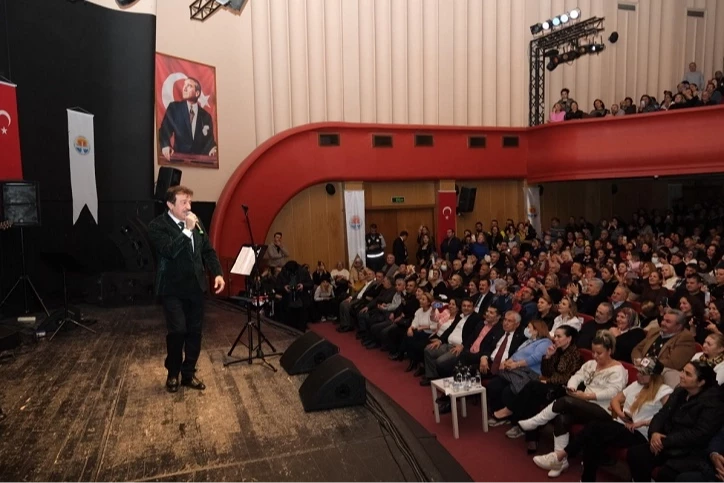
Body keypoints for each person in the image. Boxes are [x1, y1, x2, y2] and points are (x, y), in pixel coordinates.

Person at [531, 357, 673, 482]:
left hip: (640, 433)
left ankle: (560, 456)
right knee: (594, 438)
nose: (638, 375)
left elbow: (667, 417)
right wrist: (621, 414)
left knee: (594, 428)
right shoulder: (636, 385)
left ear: (653, 376)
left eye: (643, 373)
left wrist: (643, 422)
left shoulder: (664, 391)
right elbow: (615, 400)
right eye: (639, 371)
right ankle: (586, 478)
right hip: (622, 425)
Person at [518, 330, 628, 477]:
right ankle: (560, 462)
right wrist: (572, 387)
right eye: (593, 352)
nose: (595, 356)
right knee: (562, 416)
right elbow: (577, 376)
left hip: (604, 410)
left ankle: (536, 421)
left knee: (566, 402)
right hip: (584, 405)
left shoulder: (618, 370)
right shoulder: (591, 364)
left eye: (599, 353)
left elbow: (613, 392)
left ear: (609, 351)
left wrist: (587, 396)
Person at [148, 185, 225, 393]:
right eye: (183, 202)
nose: (188, 207)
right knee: (178, 330)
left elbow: (207, 250)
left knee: (194, 332)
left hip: (196, 287)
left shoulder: (196, 222)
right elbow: (169, 251)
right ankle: (173, 372)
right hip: (172, 289)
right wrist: (186, 230)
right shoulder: (157, 226)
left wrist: (217, 273)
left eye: (189, 202)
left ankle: (188, 374)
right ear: (170, 205)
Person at [626, 362, 724, 483]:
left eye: (687, 374)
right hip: (667, 441)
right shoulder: (680, 391)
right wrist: (654, 433)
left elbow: (698, 434)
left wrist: (664, 441)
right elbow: (662, 414)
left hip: (689, 450)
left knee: (667, 474)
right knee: (636, 454)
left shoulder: (713, 403)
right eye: (682, 371)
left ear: (701, 382)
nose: (681, 375)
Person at [158, 77, 217, 160]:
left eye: (189, 86)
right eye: (184, 85)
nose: (184, 88)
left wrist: (213, 148)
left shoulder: (206, 116)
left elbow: (209, 141)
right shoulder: (174, 108)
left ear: (197, 93)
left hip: (199, 163)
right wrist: (165, 146)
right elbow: (164, 132)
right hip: (178, 160)